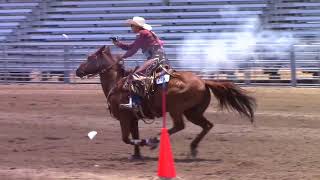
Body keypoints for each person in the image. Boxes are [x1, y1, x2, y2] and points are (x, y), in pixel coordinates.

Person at [111, 16, 167, 109]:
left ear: (137, 26)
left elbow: (132, 50)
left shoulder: (142, 33)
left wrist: (121, 57)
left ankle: (136, 102)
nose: (131, 27)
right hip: (158, 58)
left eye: (132, 25)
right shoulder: (145, 33)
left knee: (135, 75)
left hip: (155, 59)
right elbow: (132, 47)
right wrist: (118, 43)